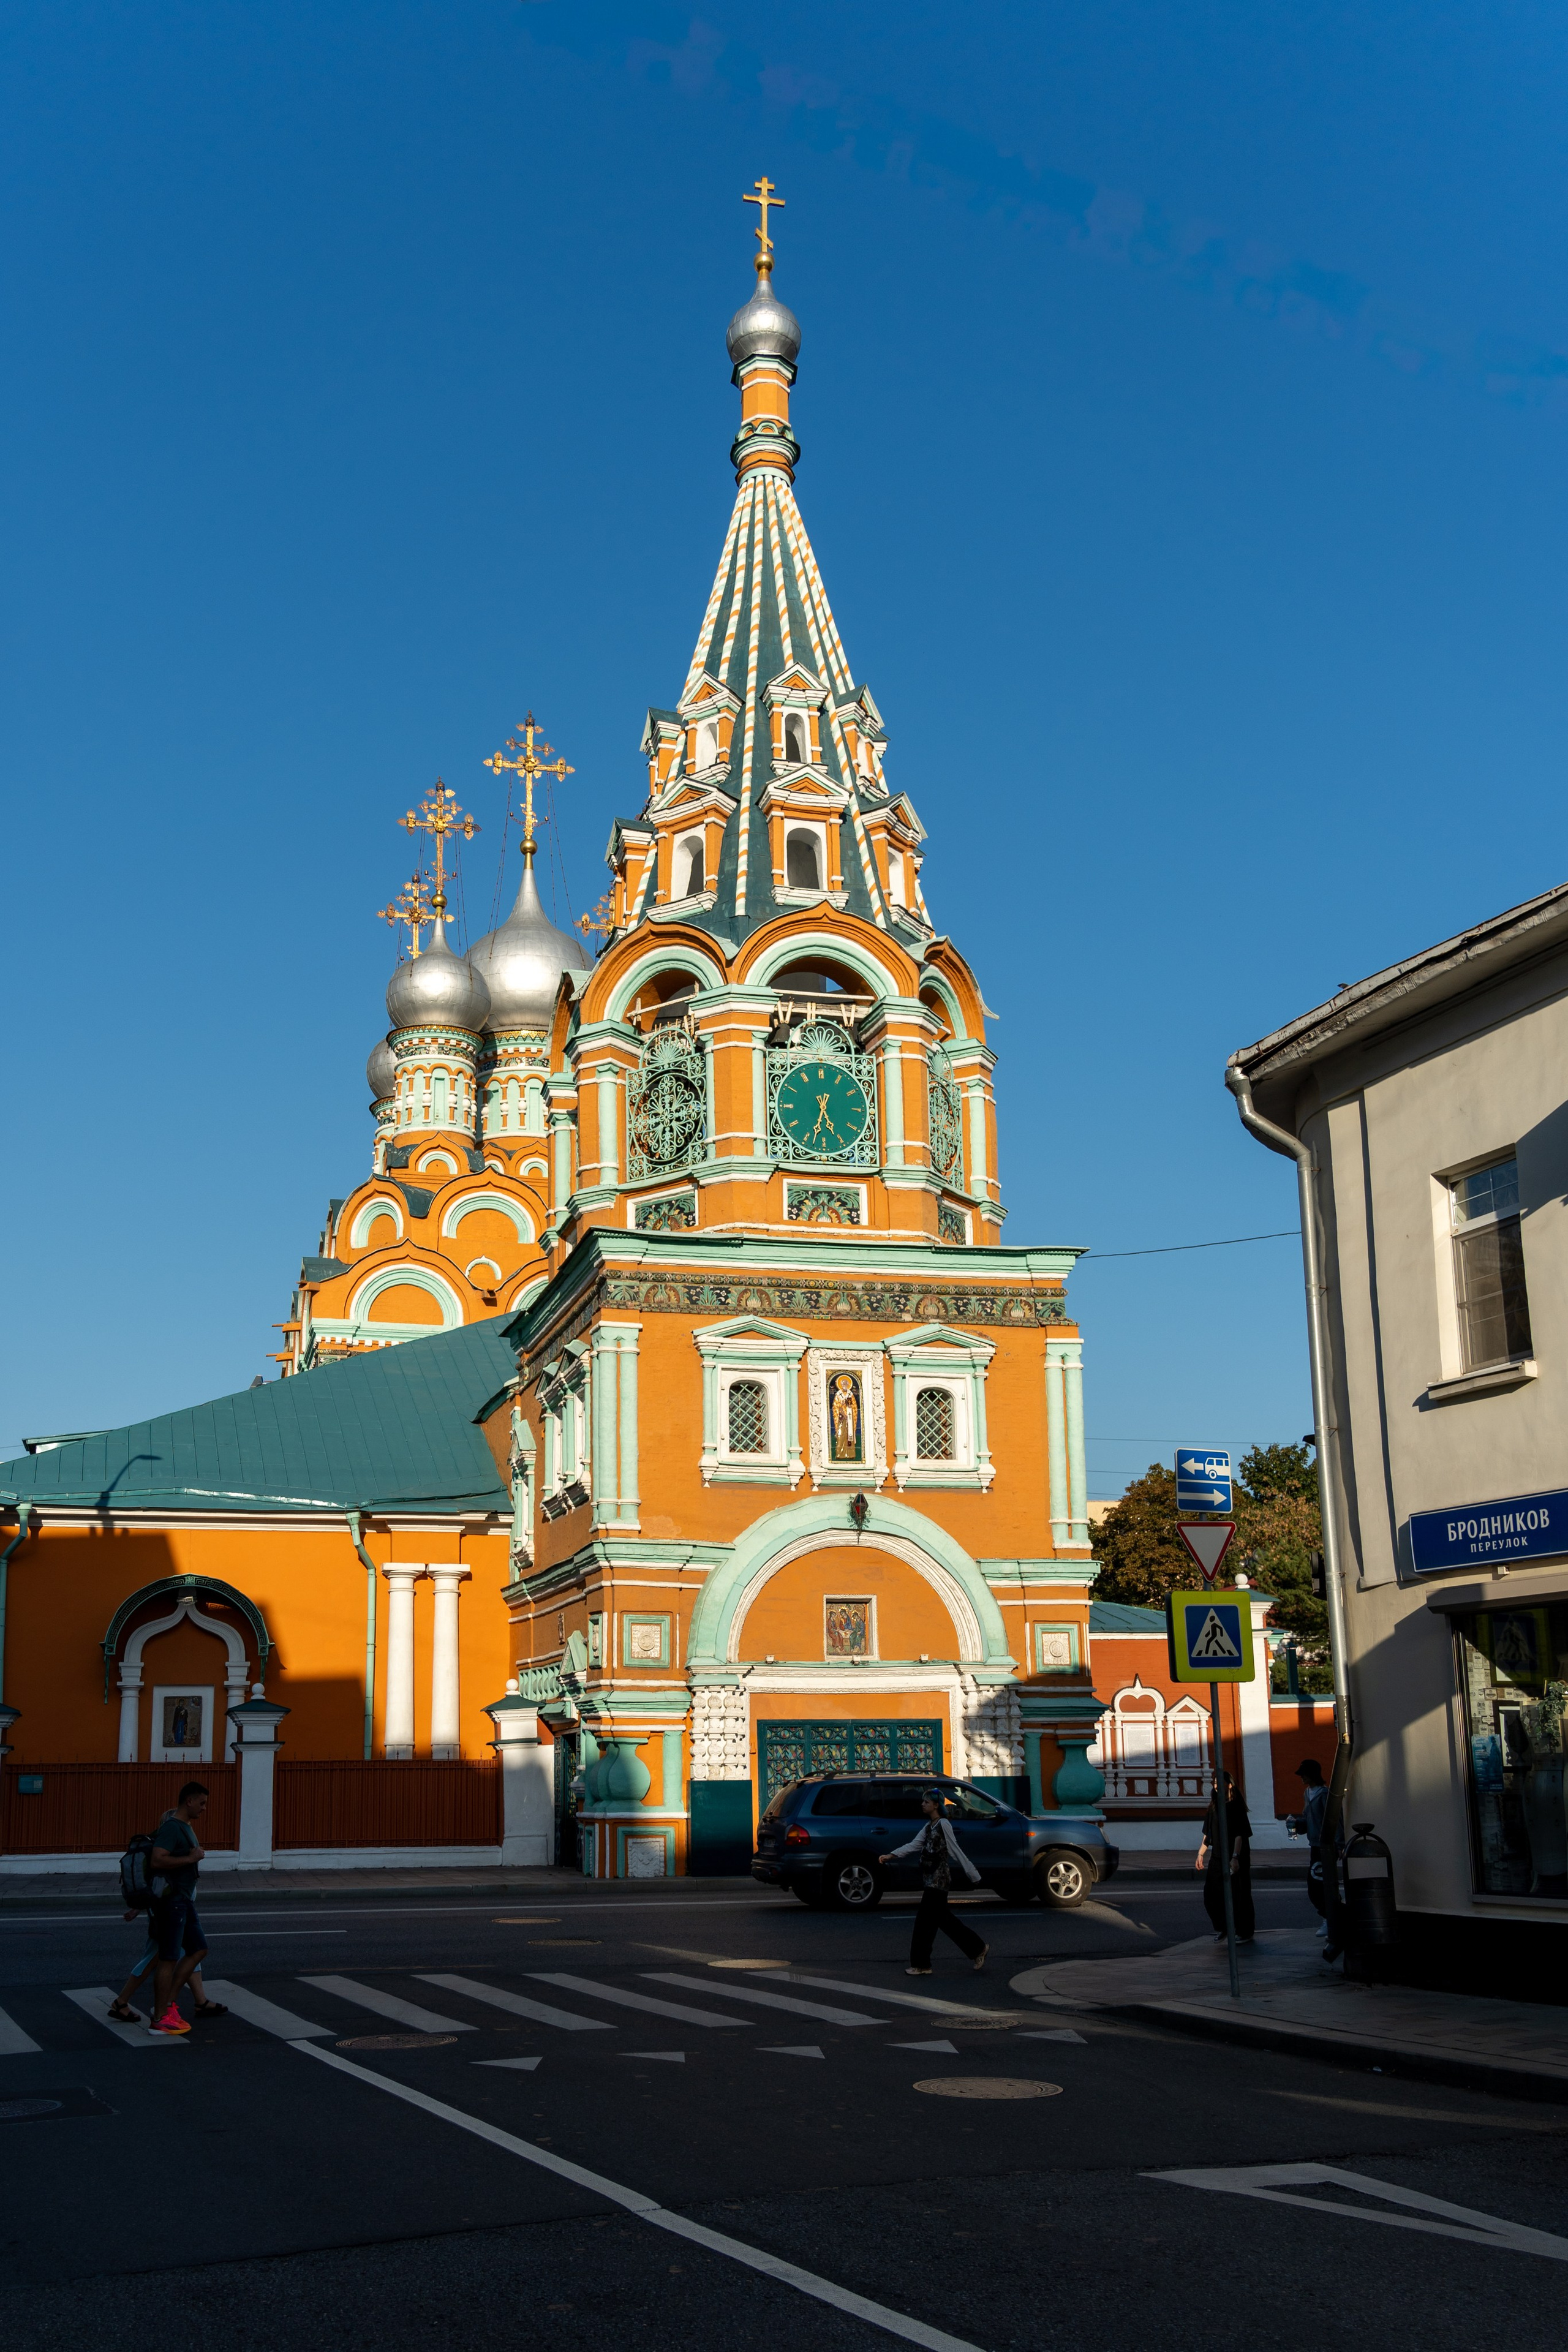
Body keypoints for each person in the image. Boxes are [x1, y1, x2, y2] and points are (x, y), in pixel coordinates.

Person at [880, 1789, 989, 1977]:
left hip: (939, 1880)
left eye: (926, 1802)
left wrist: (973, 1874)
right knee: (943, 1921)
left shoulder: (944, 1824)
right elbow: (915, 1845)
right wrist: (892, 1855)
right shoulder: (929, 1826)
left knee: (924, 1923)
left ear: (936, 1805)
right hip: (931, 1879)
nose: (923, 1804)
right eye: (923, 1802)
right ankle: (977, 1948)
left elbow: (955, 1850)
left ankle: (922, 1965)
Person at [146, 1781, 213, 2036]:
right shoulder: (172, 1827)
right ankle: (160, 2018)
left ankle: (167, 2004)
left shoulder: (186, 1827)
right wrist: (191, 1858)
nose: (204, 1808)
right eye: (202, 1803)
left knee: (199, 1950)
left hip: (184, 1900)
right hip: (171, 1902)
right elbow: (158, 1859)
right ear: (189, 1801)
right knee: (168, 1958)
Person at [108, 1909, 223, 2024]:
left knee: (191, 1953)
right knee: (155, 1958)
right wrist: (138, 1908)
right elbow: (158, 1891)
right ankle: (125, 2002)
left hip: (179, 1908)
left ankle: (200, 2001)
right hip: (170, 1911)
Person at [1196, 1770, 1254, 1943]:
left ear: (1229, 1785)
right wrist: (1201, 1853)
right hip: (1217, 1856)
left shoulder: (1236, 1806)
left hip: (1236, 1856)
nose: (1215, 1785)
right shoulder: (1214, 1806)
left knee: (1239, 1894)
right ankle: (1225, 1927)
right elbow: (1208, 1833)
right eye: (1214, 1782)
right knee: (1211, 1894)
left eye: (1218, 1782)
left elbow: (1240, 1835)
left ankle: (1245, 1931)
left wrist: (1235, 1858)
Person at [1286, 1757, 1330, 1937]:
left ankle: (1330, 1919)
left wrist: (1339, 1844)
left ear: (1312, 1775)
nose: (1301, 1778)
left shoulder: (1325, 1795)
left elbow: (1334, 1820)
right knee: (1318, 1886)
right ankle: (1332, 1919)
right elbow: (1307, 1818)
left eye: (1303, 1774)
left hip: (1326, 1847)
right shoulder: (1307, 1794)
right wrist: (1296, 1823)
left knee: (1318, 1887)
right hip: (1314, 1846)